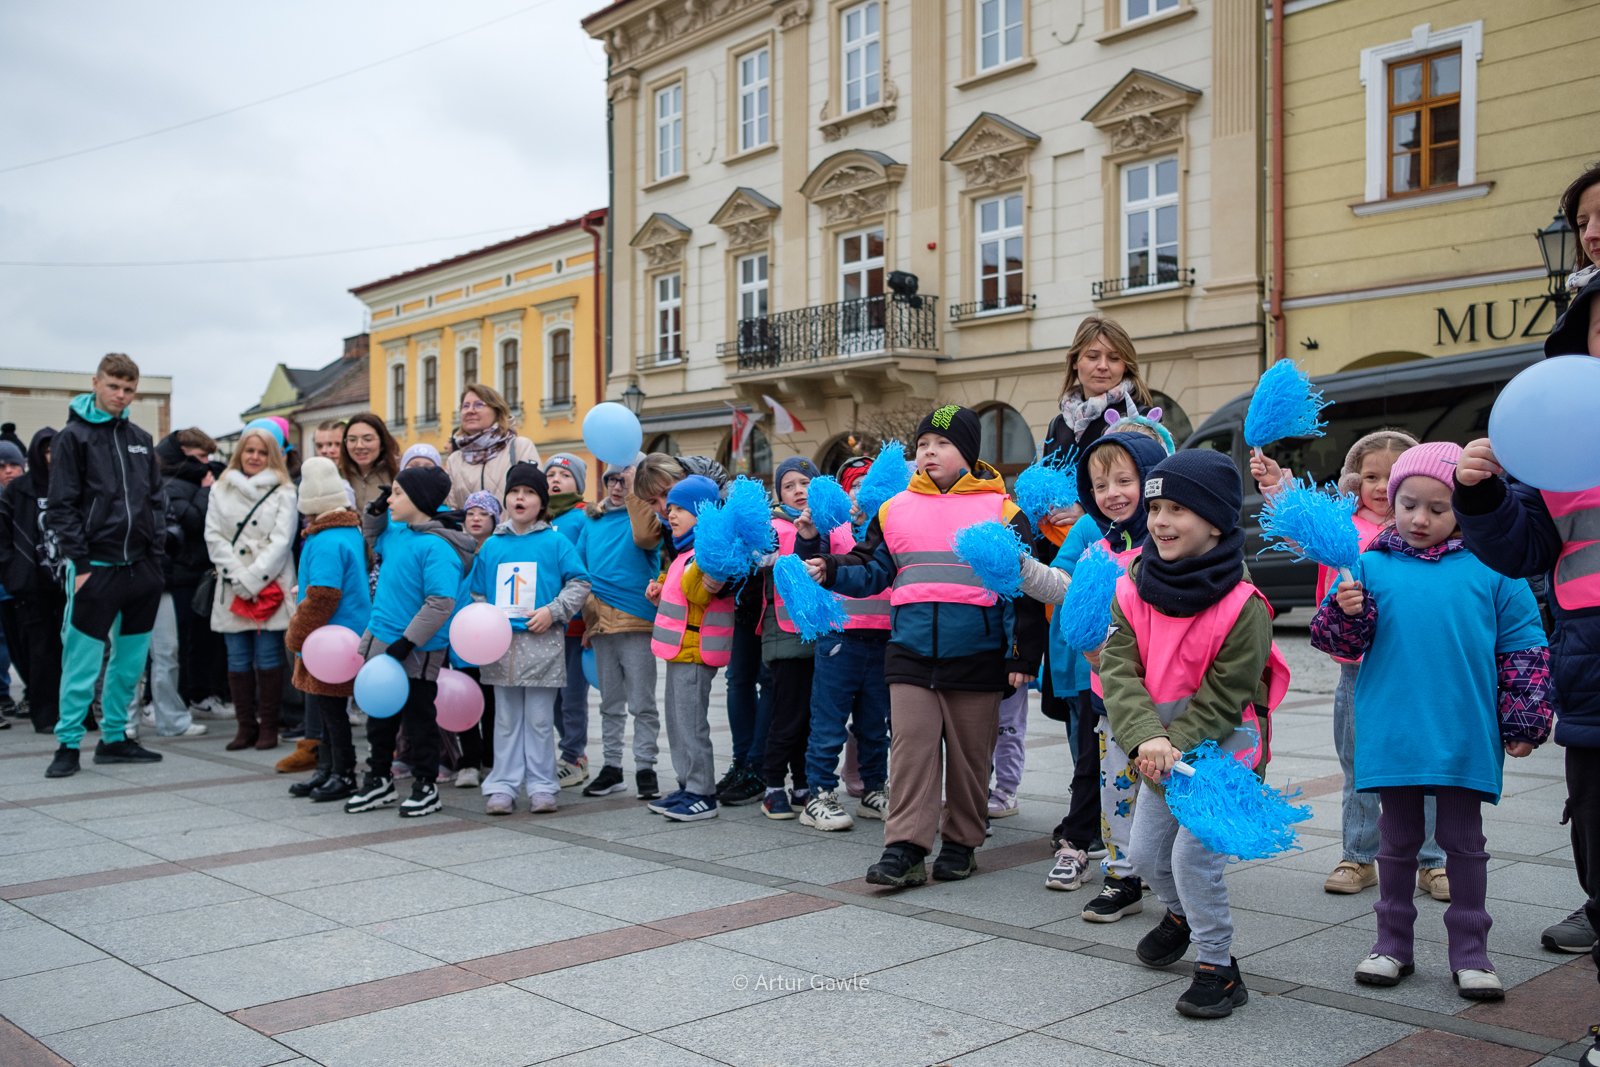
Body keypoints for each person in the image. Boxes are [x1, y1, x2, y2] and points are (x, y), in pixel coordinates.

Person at [1312, 441, 1552, 1001]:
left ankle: (1471, 951)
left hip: (1463, 728)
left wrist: (1523, 722)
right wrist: (1346, 612)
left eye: (1438, 508)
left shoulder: (1497, 569)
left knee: (1464, 844)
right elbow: (1339, 642)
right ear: (1391, 503)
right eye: (1408, 504)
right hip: (1393, 727)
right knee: (1394, 843)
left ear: (1463, 511)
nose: (1420, 519)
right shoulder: (1367, 565)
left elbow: (1524, 647)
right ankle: (1391, 943)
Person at [807, 404, 1046, 885]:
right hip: (910, 650)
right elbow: (871, 566)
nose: (929, 452)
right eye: (923, 445)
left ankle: (961, 843)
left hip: (977, 654)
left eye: (942, 444)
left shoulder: (1002, 509)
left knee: (969, 756)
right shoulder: (894, 508)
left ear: (968, 453)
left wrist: (1022, 653)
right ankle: (905, 849)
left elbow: (1025, 589)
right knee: (911, 750)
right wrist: (830, 570)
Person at [1100, 449, 1284, 1019]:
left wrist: (1174, 743)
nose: (1159, 520)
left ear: (1215, 520)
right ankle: (1179, 915)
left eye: (1176, 508)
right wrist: (1145, 739)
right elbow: (1119, 671)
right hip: (1155, 751)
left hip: (1220, 756)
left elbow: (1226, 694)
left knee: (1191, 860)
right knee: (1148, 857)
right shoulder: (1132, 587)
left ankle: (1218, 967)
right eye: (1155, 507)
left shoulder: (1243, 605)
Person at [1253, 430, 1451, 899]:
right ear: (1351, 481)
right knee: (1359, 766)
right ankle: (1359, 855)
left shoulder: (1423, 530)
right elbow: (1293, 523)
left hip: (1413, 667)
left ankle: (1433, 860)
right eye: (1370, 476)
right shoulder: (1338, 523)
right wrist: (1276, 483)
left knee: (1423, 765)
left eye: (1392, 476)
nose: (1381, 486)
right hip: (1356, 668)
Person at [1034, 429, 1168, 912]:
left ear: (1152, 481)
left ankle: (1170, 875)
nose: (1112, 494)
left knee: (1168, 787)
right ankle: (1123, 873)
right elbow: (1063, 586)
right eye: (1100, 485)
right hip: (1108, 694)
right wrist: (1021, 568)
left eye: (1124, 481)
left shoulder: (1168, 546)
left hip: (1166, 696)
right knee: (1116, 786)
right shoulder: (1097, 549)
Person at [44, 354, 168, 778]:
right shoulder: (72, 438)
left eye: (129, 389)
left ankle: (115, 739)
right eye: (114, 386)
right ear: (96, 382)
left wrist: (155, 556)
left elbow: (156, 500)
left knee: (130, 664)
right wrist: (79, 564)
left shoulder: (139, 437)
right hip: (94, 566)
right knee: (81, 662)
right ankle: (68, 744)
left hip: (140, 570)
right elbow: (61, 506)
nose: (121, 395)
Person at [345, 464, 474, 817]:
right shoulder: (399, 532)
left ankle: (425, 784)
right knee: (379, 716)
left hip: (418, 647)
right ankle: (379, 779)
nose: (391, 500)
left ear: (419, 500)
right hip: (382, 637)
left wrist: (408, 641)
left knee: (419, 719)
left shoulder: (438, 547)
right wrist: (374, 510)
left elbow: (441, 602)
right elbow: (373, 537)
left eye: (398, 493)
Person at [471, 463, 590, 814]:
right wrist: (487, 619)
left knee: (539, 720)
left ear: (542, 502)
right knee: (505, 719)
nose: (520, 498)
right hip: (501, 647)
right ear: (506, 498)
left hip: (542, 644)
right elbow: (477, 592)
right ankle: (503, 785)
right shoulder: (492, 546)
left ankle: (542, 784)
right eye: (514, 492)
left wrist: (552, 611)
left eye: (530, 493)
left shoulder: (555, 541)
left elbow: (580, 582)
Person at [791, 455, 892, 831]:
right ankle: (819, 793)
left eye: (870, 484)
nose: (863, 493)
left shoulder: (890, 529)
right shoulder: (835, 527)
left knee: (873, 724)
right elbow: (807, 567)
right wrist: (807, 537)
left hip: (883, 637)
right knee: (829, 721)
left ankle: (873, 788)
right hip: (840, 638)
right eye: (855, 485)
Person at [204, 426, 299, 751]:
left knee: (269, 657)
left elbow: (281, 541)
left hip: (270, 583)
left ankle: (269, 726)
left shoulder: (285, 491)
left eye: (261, 451)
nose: (255, 457)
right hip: (232, 584)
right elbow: (213, 536)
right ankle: (245, 727)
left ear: (271, 455)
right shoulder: (220, 489)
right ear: (239, 453)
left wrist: (254, 579)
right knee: (237, 658)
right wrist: (239, 578)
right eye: (249, 450)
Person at [283, 457, 372, 802]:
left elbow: (323, 594)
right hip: (340, 633)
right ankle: (328, 769)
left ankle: (342, 772)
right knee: (328, 709)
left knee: (331, 710)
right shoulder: (348, 531)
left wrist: (297, 632)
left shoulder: (325, 539)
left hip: (328, 637)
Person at [647, 474, 734, 822]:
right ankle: (687, 785)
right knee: (678, 722)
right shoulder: (684, 553)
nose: (672, 515)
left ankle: (702, 792)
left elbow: (699, 593)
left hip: (696, 653)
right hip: (678, 652)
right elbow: (680, 602)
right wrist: (658, 592)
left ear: (704, 511)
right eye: (670, 509)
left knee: (692, 725)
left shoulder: (708, 552)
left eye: (682, 508)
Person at [577, 459, 662, 799]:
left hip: (637, 619)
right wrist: (587, 621)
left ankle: (646, 767)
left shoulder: (645, 517)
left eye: (624, 479)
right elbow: (580, 573)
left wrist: (635, 496)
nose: (616, 485)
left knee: (642, 702)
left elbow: (645, 539)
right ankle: (612, 767)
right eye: (611, 479)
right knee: (609, 702)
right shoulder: (592, 522)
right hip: (600, 622)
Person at [130, 429, 221, 740]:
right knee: (135, 654)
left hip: (169, 575)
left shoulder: (169, 484)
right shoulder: (166, 483)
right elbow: (192, 520)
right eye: (200, 457)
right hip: (146, 577)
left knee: (170, 650)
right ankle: (128, 722)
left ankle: (172, 716)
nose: (207, 464)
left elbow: (176, 526)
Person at [759, 457, 821, 820]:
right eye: (789, 485)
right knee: (787, 713)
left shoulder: (825, 523)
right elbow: (756, 560)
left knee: (808, 716)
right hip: (784, 632)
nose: (798, 490)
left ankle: (801, 783)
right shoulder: (771, 526)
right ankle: (772, 785)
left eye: (805, 483)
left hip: (819, 632)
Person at [0, 428, 62, 734]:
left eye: (56, 450)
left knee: (75, 650)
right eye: (46, 450)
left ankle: (78, 711)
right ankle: (46, 713)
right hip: (32, 584)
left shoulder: (72, 484)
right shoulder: (19, 489)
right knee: (40, 650)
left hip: (69, 581)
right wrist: (13, 571)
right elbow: (4, 536)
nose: (51, 456)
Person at [544, 452, 592, 789]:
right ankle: (569, 751)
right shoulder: (541, 519)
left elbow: (589, 567)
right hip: (546, 623)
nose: (554, 481)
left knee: (573, 695)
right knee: (553, 697)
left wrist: (590, 620)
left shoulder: (585, 516)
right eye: (549, 476)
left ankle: (573, 755)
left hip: (575, 624)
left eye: (563, 475)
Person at [452, 489, 501, 788]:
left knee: (492, 702)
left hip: (492, 638)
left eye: (483, 513)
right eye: (470, 513)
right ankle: (468, 760)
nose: (476, 518)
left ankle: (493, 759)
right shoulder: (456, 550)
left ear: (495, 519)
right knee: (464, 700)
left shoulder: (499, 550)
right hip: (461, 637)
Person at [444, 384, 540, 510]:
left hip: (512, 530)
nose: (470, 411)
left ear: (496, 411)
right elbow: (453, 509)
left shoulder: (519, 447)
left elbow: (535, 496)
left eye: (479, 405)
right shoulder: (454, 460)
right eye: (465, 406)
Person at [0, 439, 29, 721]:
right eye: (2, 467)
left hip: (22, 584)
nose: (9, 471)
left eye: (13, 465)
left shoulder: (28, 497)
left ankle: (32, 692)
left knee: (24, 642)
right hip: (5, 583)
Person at [339, 413, 400, 519]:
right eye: (352, 440)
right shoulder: (339, 476)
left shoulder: (399, 473)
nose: (359, 446)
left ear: (382, 442)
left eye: (367, 439)